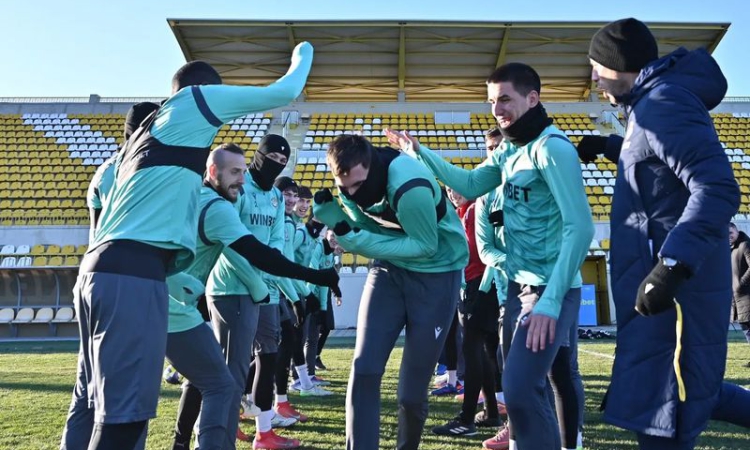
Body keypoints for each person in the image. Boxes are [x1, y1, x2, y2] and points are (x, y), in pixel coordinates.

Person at [62, 41, 314, 450]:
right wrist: (304, 50)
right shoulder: (192, 103)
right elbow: (286, 89)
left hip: (106, 273)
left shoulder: (139, 146)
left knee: (93, 403)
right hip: (132, 278)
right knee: (124, 423)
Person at [386, 61, 593, 450]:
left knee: (523, 387)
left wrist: (550, 301)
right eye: (492, 102)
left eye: (505, 99)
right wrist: (419, 152)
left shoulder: (552, 149)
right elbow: (468, 183)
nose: (497, 109)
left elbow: (580, 228)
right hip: (517, 286)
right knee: (527, 387)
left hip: (549, 290)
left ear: (533, 99)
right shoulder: (510, 150)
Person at [577, 17, 750, 450]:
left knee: (666, 410)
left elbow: (717, 188)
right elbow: (658, 167)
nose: (593, 78)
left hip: (676, 293)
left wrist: (672, 265)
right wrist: (611, 148)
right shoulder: (649, 104)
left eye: (596, 67)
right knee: (683, 394)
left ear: (618, 65)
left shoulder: (663, 102)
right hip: (667, 290)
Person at [165, 143, 339, 450]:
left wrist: (282, 288)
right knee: (221, 379)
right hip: (222, 292)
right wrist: (282, 284)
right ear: (212, 171)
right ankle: (207, 438)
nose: (241, 179)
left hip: (188, 298)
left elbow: (273, 250)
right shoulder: (221, 205)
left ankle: (213, 438)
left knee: (220, 373)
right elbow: (248, 251)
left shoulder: (244, 198)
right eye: (235, 172)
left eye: (242, 172)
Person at [313, 133, 469, 450]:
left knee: (411, 393)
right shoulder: (348, 184)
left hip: (437, 273)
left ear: (371, 166)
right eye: (345, 187)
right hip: (389, 271)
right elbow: (367, 227)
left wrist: (356, 241)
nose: (352, 193)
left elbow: (425, 246)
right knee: (364, 369)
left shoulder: (409, 185)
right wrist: (343, 228)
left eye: (358, 184)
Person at [432, 186, 502, 437]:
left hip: (478, 286)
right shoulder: (466, 211)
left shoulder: (472, 211)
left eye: (456, 189)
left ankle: (466, 419)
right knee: (482, 352)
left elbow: (473, 252)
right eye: (449, 190)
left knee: (473, 352)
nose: (452, 194)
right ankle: (491, 412)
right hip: (481, 286)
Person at [729, 223, 750, 357]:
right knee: (746, 327)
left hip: (746, 295)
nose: (728, 236)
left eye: (730, 232)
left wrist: (740, 284)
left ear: (737, 231)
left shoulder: (745, 245)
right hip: (738, 297)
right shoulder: (732, 248)